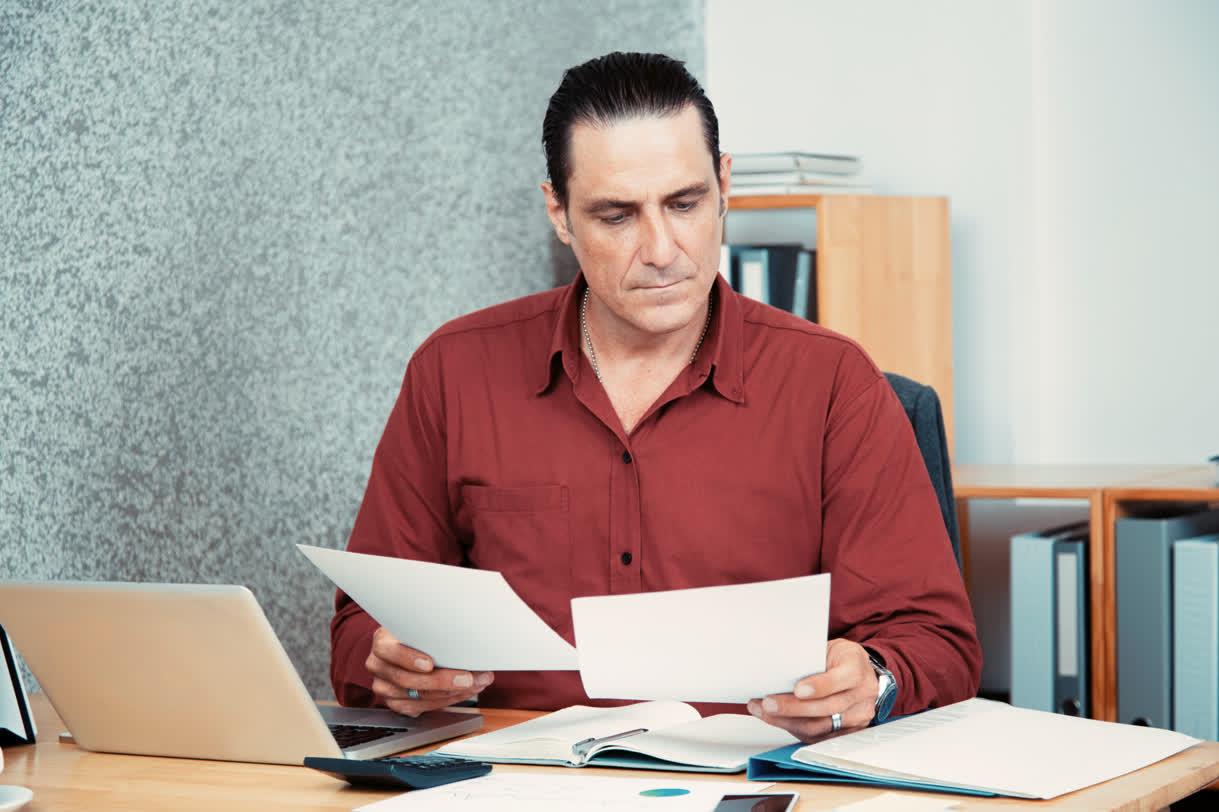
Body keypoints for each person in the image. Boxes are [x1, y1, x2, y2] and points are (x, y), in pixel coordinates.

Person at [330, 51, 981, 743]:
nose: (662, 249)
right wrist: (394, 666)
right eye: (616, 216)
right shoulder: (454, 371)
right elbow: (359, 633)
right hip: (512, 774)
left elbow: (937, 642)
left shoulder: (832, 383)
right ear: (558, 213)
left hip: (754, 774)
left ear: (723, 186)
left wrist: (873, 678)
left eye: (684, 204)